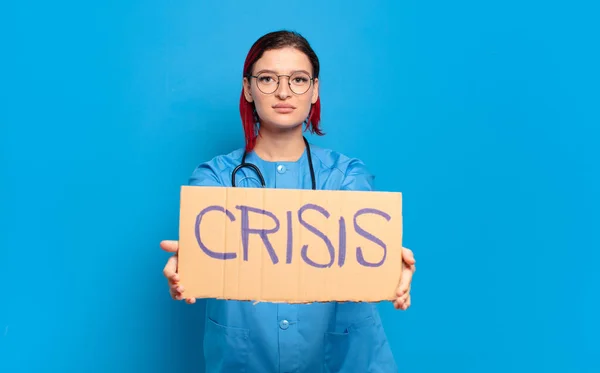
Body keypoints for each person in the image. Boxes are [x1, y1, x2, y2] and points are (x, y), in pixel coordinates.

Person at [161, 30, 416, 373]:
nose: (283, 91)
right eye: (267, 78)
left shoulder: (347, 176)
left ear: (314, 90)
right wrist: (186, 267)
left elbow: (367, 244)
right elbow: (198, 252)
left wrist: (391, 268)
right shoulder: (215, 178)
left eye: (298, 79)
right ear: (248, 88)